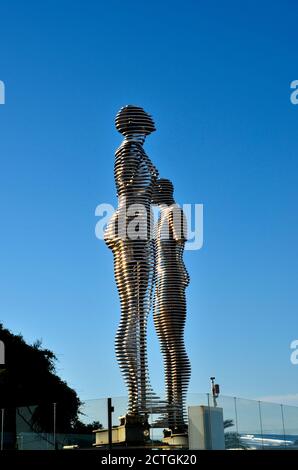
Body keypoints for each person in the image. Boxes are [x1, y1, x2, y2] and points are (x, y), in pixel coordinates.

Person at [152, 178, 191, 432]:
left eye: (153, 191)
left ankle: (178, 411)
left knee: (174, 346)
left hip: (171, 280)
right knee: (166, 349)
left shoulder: (175, 212)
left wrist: (181, 277)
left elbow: (181, 244)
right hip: (161, 282)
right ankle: (172, 411)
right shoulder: (160, 216)